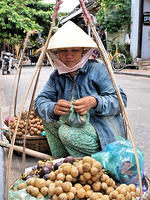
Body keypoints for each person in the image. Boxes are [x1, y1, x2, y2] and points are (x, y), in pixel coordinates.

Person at [34, 21, 127, 158]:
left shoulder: (98, 69)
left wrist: (95, 101)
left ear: (83, 52)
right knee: (48, 120)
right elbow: (39, 102)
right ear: (57, 53)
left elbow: (121, 101)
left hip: (100, 130)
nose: (68, 55)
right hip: (75, 125)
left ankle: (96, 160)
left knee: (66, 133)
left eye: (74, 50)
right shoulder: (57, 76)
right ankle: (63, 162)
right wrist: (53, 108)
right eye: (64, 51)